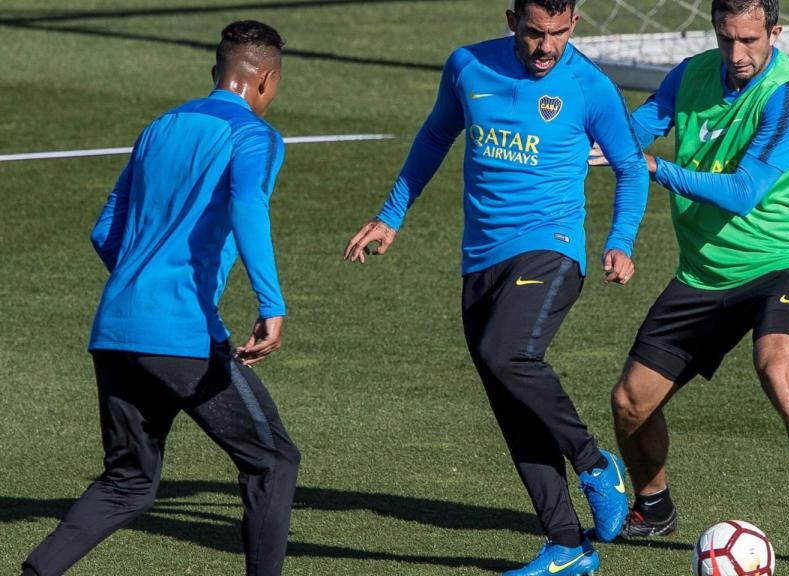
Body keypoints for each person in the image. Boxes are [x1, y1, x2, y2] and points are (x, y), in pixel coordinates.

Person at [343, 0, 646, 573]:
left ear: (575, 24)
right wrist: (391, 216)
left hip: (551, 249)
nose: (546, 47)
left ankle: (595, 463)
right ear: (512, 21)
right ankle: (566, 546)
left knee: (506, 353)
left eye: (558, 33)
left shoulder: (591, 87)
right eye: (534, 33)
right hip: (479, 261)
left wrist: (621, 240)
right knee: (511, 402)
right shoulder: (467, 67)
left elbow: (629, 166)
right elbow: (434, 138)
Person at [596, 0, 789, 571]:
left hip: (784, 259)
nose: (737, 54)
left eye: (750, 40)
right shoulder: (690, 75)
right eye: (726, 39)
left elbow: (744, 190)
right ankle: (653, 507)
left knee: (778, 367)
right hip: (704, 270)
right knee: (629, 403)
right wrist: (577, 140)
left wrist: (656, 170)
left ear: (774, 31)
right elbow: (629, 135)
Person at [21, 20, 300, 576]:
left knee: (128, 483)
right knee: (272, 461)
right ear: (267, 79)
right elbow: (248, 207)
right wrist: (271, 304)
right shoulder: (255, 137)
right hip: (181, 336)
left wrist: (139, 286)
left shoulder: (161, 125)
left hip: (116, 328)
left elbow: (106, 229)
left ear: (214, 72)